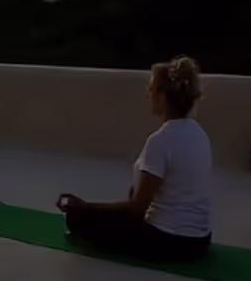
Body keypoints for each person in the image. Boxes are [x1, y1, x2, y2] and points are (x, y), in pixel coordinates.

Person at [56, 57, 213, 263]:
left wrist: (87, 207)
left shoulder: (160, 140)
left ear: (163, 96)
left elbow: (136, 209)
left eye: (152, 89)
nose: (148, 95)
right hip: (200, 241)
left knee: (76, 218)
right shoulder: (199, 133)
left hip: (171, 242)